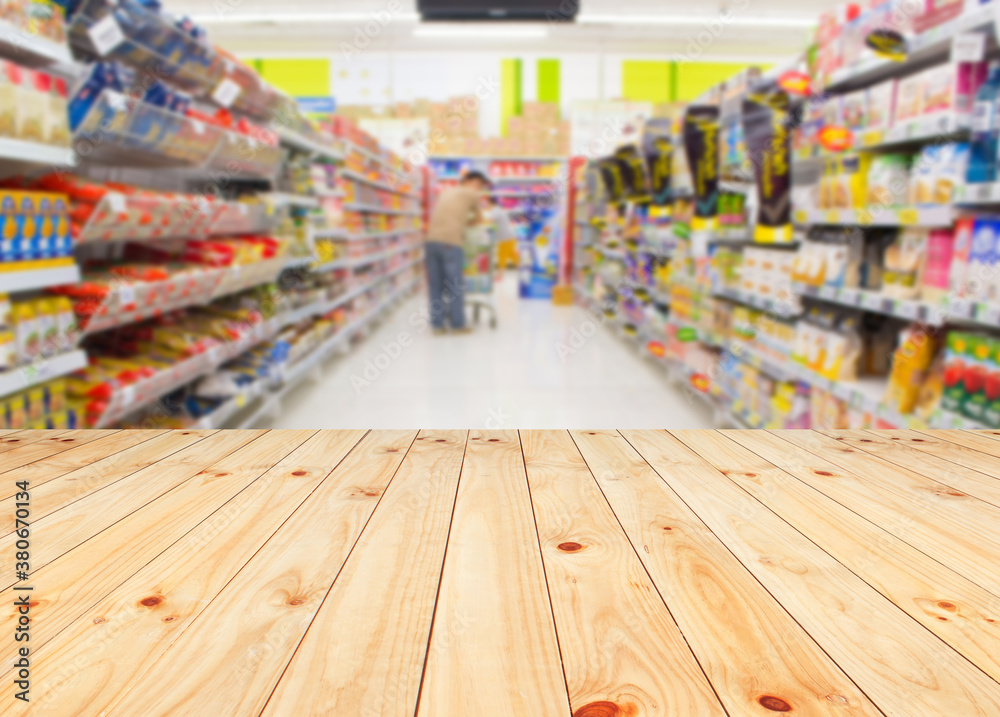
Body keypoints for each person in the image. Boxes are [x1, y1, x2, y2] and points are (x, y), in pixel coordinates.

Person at [424, 170, 491, 334]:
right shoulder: (472, 194)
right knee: (454, 285)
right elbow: (479, 220)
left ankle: (437, 325)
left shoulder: (446, 192)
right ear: (469, 182)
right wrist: (465, 224)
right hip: (450, 242)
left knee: (436, 285)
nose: (479, 189)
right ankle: (458, 324)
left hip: (431, 241)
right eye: (479, 185)